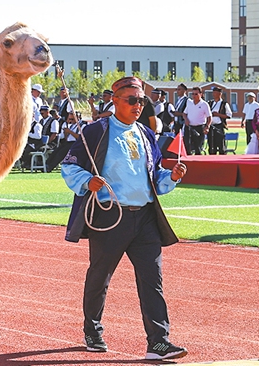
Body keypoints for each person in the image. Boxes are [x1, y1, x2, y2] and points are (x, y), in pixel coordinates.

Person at [61, 76, 188, 361]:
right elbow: (69, 166)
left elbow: (154, 177)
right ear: (115, 100)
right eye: (132, 100)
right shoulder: (94, 132)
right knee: (100, 277)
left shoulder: (145, 134)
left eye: (142, 100)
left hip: (145, 218)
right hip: (110, 217)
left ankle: (158, 342)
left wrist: (172, 177)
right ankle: (92, 330)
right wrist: (87, 181)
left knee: (152, 281)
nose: (138, 105)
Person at [182, 87, 211, 156]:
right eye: (193, 94)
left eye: (196, 94)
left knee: (198, 147)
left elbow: (209, 117)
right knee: (187, 146)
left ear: (201, 94)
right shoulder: (190, 103)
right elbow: (184, 113)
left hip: (199, 127)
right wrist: (186, 119)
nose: (194, 96)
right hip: (189, 127)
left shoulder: (204, 104)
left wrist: (207, 126)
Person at [206, 87, 232, 156]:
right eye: (213, 92)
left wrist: (218, 114)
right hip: (211, 126)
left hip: (219, 126)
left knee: (221, 146)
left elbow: (229, 115)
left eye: (215, 92)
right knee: (211, 145)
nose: (213, 94)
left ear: (220, 94)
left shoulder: (224, 104)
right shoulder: (210, 103)